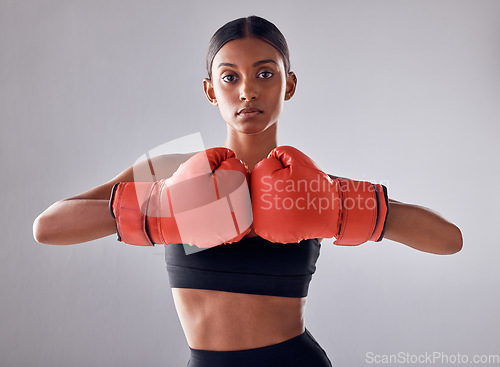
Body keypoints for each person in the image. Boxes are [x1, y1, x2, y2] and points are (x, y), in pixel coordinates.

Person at [33, 15, 463, 367]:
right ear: (209, 90)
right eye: (229, 77)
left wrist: (338, 207)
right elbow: (47, 228)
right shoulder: (172, 168)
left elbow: (449, 240)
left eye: (264, 73)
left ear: (288, 85)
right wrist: (161, 206)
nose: (247, 90)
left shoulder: (309, 183)